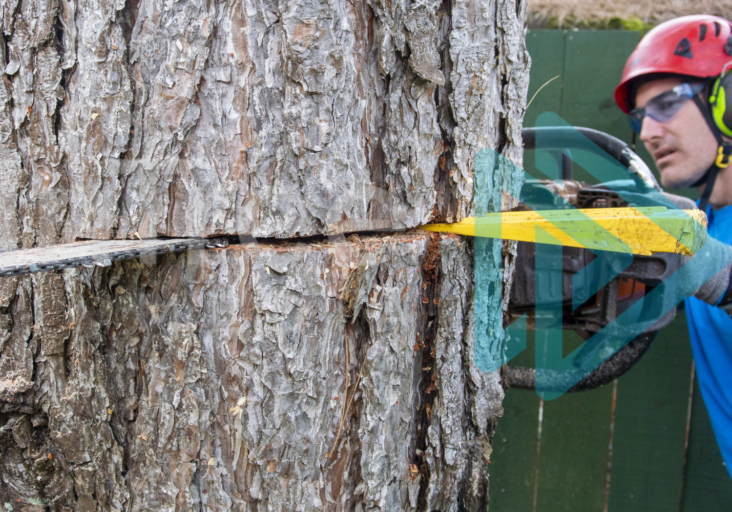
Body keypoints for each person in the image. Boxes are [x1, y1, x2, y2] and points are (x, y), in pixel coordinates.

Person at [615, 14, 732, 478]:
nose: (647, 133)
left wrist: (722, 276)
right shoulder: (705, 223)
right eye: (641, 117)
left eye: (666, 103)